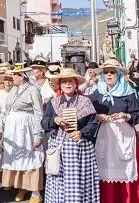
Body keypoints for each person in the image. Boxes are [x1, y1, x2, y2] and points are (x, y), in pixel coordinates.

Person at [88, 59, 139, 203]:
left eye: (112, 72)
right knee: (105, 170)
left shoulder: (128, 92)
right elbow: (87, 110)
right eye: (106, 72)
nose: (108, 75)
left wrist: (125, 116)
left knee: (126, 170)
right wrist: (97, 116)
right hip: (104, 135)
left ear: (118, 74)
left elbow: (137, 115)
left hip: (124, 135)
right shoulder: (97, 92)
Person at [41, 68, 100, 202]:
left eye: (70, 82)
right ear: (60, 85)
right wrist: (54, 120)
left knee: (79, 181)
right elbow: (44, 122)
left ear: (75, 84)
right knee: (59, 180)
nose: (67, 84)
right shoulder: (54, 102)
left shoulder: (85, 102)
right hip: (59, 148)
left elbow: (93, 124)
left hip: (80, 149)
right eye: (65, 82)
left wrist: (81, 133)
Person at [0, 63, 44, 203]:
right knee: (17, 157)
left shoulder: (32, 90)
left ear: (22, 77)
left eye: (14, 75)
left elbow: (38, 113)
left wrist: (38, 134)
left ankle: (35, 192)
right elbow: (8, 109)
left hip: (27, 128)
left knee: (30, 156)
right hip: (13, 130)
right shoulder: (14, 89)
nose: (12, 77)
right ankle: (22, 188)